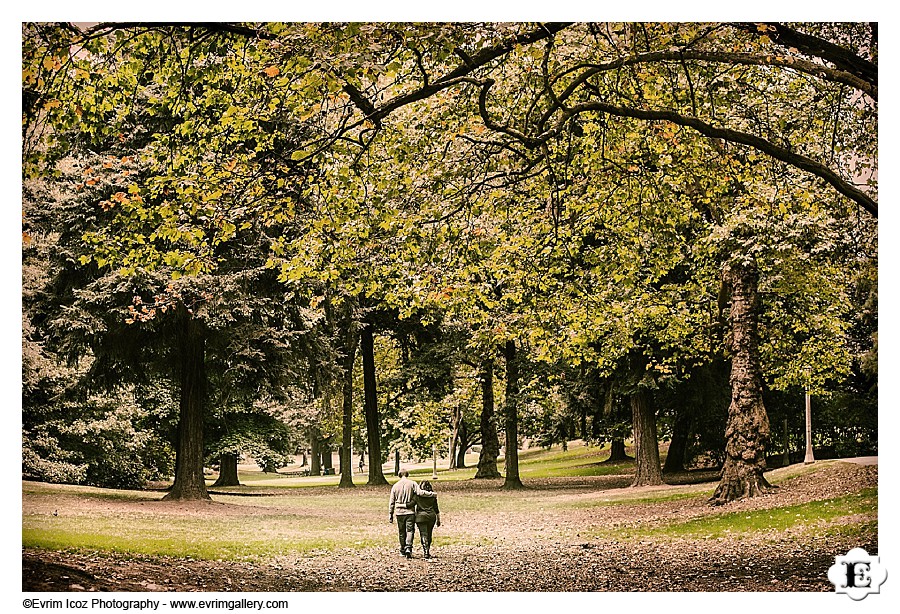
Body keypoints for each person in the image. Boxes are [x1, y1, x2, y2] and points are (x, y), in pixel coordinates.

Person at [388, 469, 435, 558]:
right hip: (410, 512)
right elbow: (420, 493)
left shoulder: (395, 486)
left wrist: (390, 514)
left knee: (401, 532)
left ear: (399, 475)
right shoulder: (412, 483)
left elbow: (391, 502)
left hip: (399, 512)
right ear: (407, 474)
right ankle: (408, 547)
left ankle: (402, 549)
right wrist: (431, 494)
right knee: (410, 531)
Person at [413, 481, 440, 559]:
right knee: (429, 533)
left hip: (420, 517)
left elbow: (412, 504)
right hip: (431, 516)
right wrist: (438, 519)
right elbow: (436, 509)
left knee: (423, 534)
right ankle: (428, 550)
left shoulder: (417, 496)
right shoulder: (433, 496)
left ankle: (425, 551)